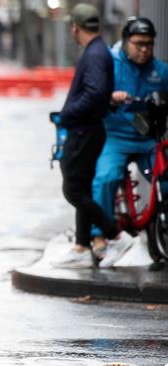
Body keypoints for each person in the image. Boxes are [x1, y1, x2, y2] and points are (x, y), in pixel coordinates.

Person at [52, 4, 136, 269]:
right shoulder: (99, 51)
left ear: (75, 28)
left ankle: (115, 235)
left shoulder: (95, 53)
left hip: (84, 131)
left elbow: (95, 93)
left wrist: (68, 113)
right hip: (89, 129)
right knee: (83, 188)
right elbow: (101, 94)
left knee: (73, 189)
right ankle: (81, 246)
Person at [91, 17, 168, 267]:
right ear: (126, 42)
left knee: (164, 180)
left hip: (149, 139)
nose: (144, 49)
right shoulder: (110, 65)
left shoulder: (161, 70)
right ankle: (99, 236)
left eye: (149, 44)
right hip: (116, 137)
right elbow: (92, 98)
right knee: (106, 178)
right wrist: (110, 98)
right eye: (138, 44)